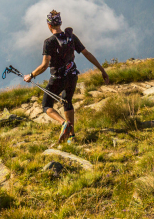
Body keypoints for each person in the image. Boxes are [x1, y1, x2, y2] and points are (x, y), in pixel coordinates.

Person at [24, 10, 110, 144]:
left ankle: (64, 123)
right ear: (60, 23)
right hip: (72, 76)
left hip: (58, 78)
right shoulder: (71, 37)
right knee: (67, 102)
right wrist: (102, 70)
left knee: (46, 106)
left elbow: (44, 65)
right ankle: (71, 137)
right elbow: (87, 54)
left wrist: (30, 75)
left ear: (49, 25)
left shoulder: (49, 42)